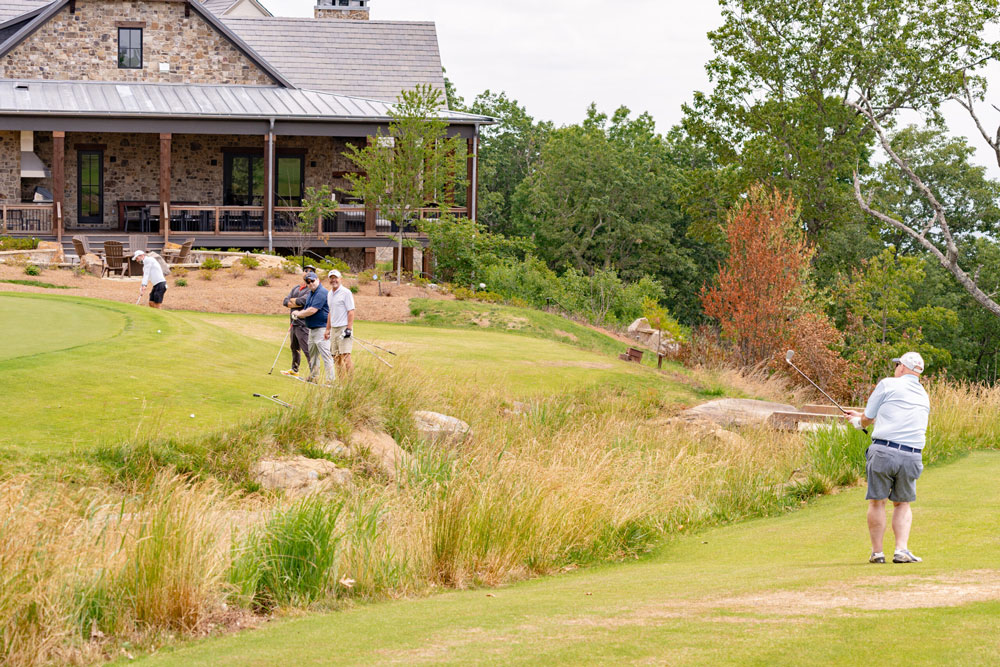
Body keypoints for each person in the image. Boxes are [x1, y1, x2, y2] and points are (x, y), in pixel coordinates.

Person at [845, 352, 930, 565]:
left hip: (884, 451)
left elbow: (868, 418)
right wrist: (862, 418)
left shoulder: (888, 384)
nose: (896, 368)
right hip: (911, 455)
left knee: (877, 501)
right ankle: (901, 550)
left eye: (897, 364)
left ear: (902, 367)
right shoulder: (923, 394)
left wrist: (857, 422)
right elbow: (894, 418)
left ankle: (877, 553)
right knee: (902, 503)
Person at [291, 272, 335, 384]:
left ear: (317, 280)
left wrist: (298, 313)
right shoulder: (311, 293)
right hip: (312, 329)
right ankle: (314, 377)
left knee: (326, 355)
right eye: (308, 282)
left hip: (322, 328)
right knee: (313, 355)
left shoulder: (321, 292)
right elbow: (307, 307)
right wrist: (299, 312)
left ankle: (331, 380)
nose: (311, 283)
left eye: (312, 281)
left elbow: (312, 310)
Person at [280, 265, 316, 378]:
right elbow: (285, 301)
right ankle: (294, 369)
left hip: (303, 324)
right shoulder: (296, 287)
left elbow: (303, 301)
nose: (307, 273)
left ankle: (314, 373)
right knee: (294, 347)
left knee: (306, 349)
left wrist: (293, 302)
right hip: (293, 323)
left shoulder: (311, 289)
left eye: (310, 271)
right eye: (305, 271)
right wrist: (294, 302)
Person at [324, 269, 356, 377]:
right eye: (331, 278)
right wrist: (328, 329)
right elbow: (330, 312)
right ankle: (341, 384)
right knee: (336, 357)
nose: (334, 280)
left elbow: (351, 311)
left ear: (340, 278)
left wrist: (349, 329)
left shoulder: (346, 292)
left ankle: (351, 384)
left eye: (335, 278)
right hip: (334, 329)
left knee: (346, 356)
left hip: (344, 328)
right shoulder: (329, 294)